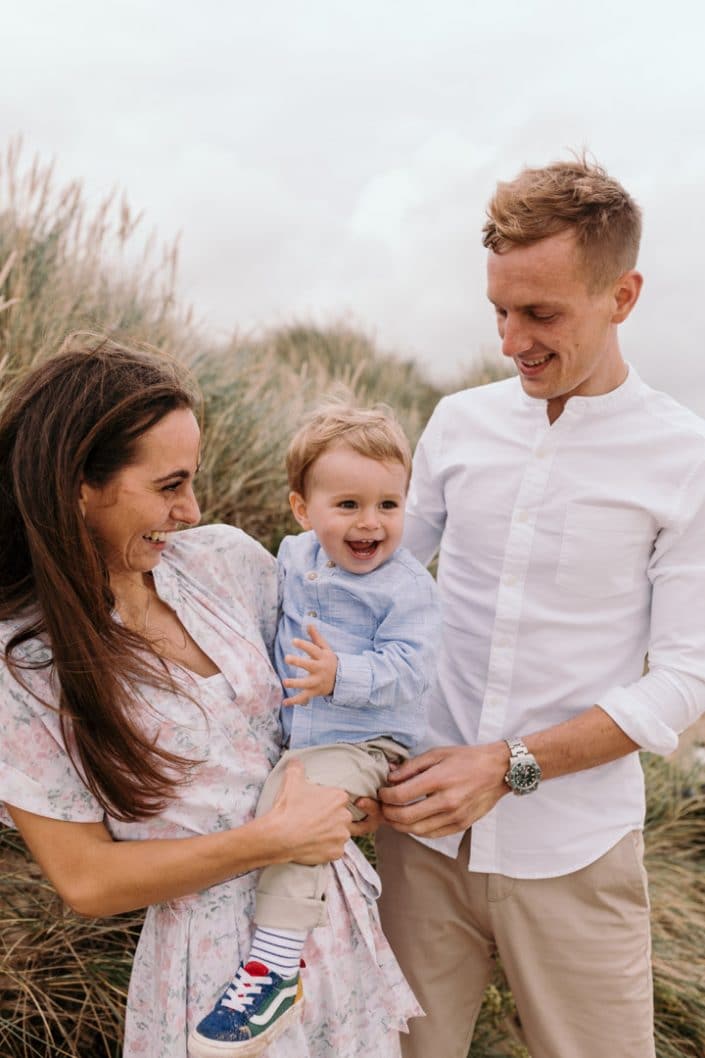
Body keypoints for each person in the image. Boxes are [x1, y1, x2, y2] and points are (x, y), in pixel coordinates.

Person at [0, 335, 422, 1058]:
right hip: (215, 978)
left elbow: (311, 722)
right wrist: (268, 840)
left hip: (334, 927)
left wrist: (369, 790)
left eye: (192, 481)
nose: (192, 510)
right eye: (168, 487)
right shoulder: (25, 665)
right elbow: (87, 880)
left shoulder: (229, 564)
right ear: (78, 485)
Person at [375, 156, 705, 1058]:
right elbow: (376, 588)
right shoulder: (457, 423)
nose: (511, 340)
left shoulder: (685, 457)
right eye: (499, 310)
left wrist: (508, 764)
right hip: (418, 845)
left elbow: (683, 681)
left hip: (576, 854)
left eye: (541, 314)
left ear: (621, 295)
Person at [191, 402, 439, 1055]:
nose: (370, 522)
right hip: (304, 735)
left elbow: (413, 670)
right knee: (276, 806)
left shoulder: (406, 586)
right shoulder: (294, 557)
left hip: (367, 740)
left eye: (389, 505)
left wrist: (341, 676)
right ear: (303, 509)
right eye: (349, 504)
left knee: (294, 812)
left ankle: (272, 970)